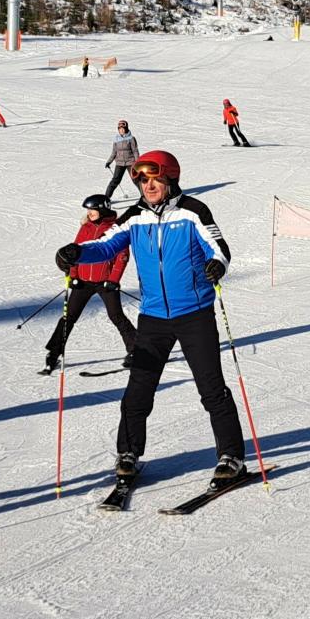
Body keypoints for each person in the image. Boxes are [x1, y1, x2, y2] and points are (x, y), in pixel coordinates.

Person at [57, 150, 245, 484]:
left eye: (154, 179)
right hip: (153, 317)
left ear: (170, 177)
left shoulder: (193, 211)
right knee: (138, 389)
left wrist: (218, 266)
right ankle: (128, 452)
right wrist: (77, 253)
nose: (148, 185)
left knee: (211, 388)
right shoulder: (134, 217)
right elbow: (105, 245)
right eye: (142, 180)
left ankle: (231, 456)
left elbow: (219, 247)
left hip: (195, 315)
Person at [44, 194, 136, 375]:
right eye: (88, 210)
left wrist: (113, 280)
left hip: (105, 282)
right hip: (84, 281)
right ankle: (54, 353)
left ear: (102, 210)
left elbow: (122, 257)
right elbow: (74, 251)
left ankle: (136, 350)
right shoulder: (85, 227)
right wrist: (74, 274)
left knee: (116, 316)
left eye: (92, 210)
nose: (89, 213)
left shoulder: (115, 229)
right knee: (68, 316)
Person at [104, 120, 138, 197]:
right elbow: (114, 152)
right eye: (119, 129)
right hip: (119, 163)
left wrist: (137, 162)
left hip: (130, 162)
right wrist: (109, 161)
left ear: (126, 129)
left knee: (136, 179)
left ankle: (145, 196)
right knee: (115, 180)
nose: (121, 130)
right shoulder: (116, 140)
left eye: (123, 129)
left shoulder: (131, 139)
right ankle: (106, 198)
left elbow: (135, 151)